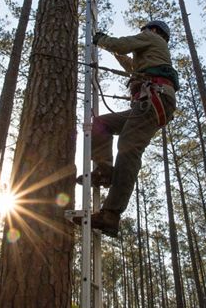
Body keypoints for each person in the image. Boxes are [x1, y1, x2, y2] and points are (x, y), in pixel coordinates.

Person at [74, 20, 179, 237]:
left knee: (128, 147)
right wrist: (114, 54)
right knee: (101, 124)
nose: (142, 33)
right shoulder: (152, 54)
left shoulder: (152, 37)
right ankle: (105, 170)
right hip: (149, 101)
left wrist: (102, 40)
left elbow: (122, 44)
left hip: (153, 99)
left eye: (144, 31)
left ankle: (111, 214)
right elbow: (130, 65)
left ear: (152, 30)